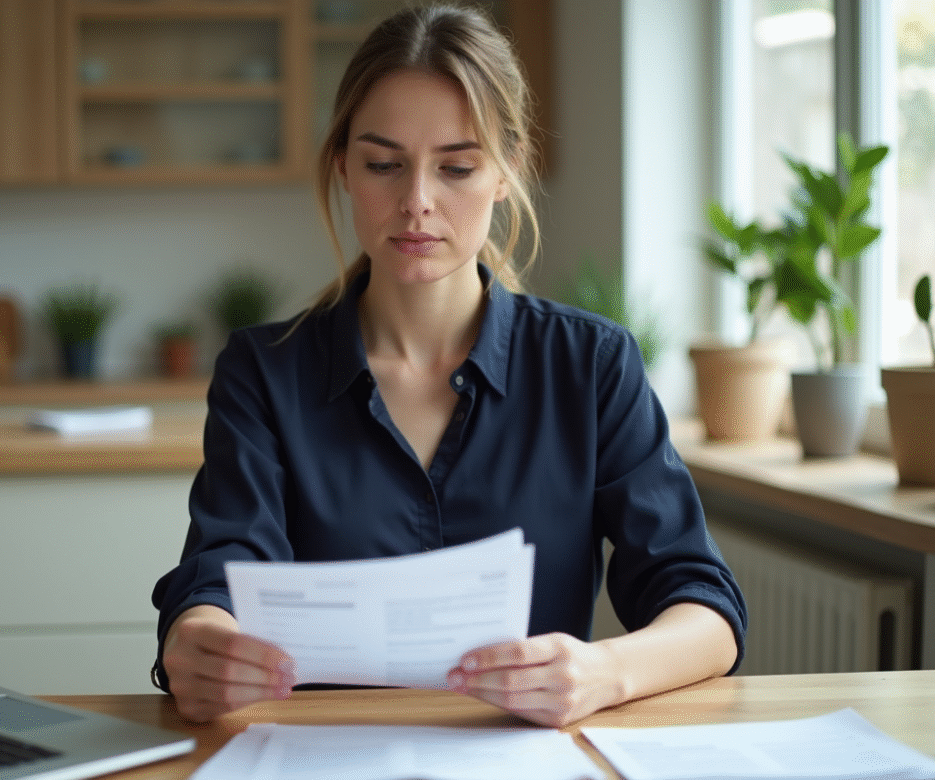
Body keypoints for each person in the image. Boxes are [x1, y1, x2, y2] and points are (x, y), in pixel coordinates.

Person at [152, 3, 746, 727]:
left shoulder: (591, 365)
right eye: (383, 164)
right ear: (342, 164)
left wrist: (604, 671)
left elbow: (704, 608)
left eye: (457, 167)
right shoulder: (262, 373)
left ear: (507, 171)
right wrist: (200, 642)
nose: (417, 203)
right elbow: (218, 575)